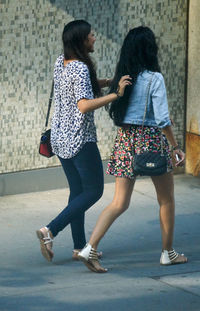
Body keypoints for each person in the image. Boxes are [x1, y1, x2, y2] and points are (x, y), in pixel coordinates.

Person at [78, 26, 188, 272]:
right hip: (150, 141)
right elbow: (162, 119)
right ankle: (168, 253)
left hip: (126, 140)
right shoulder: (154, 78)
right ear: (150, 50)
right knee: (166, 199)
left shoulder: (123, 77)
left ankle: (90, 248)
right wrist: (176, 146)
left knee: (119, 202)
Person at [36, 20, 131, 262]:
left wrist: (108, 82)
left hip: (59, 138)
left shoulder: (62, 62)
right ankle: (50, 230)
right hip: (79, 140)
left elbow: (78, 89)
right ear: (81, 40)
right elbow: (84, 104)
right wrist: (116, 94)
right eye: (91, 35)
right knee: (94, 191)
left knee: (78, 192)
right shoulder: (79, 67)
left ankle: (79, 247)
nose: (94, 37)